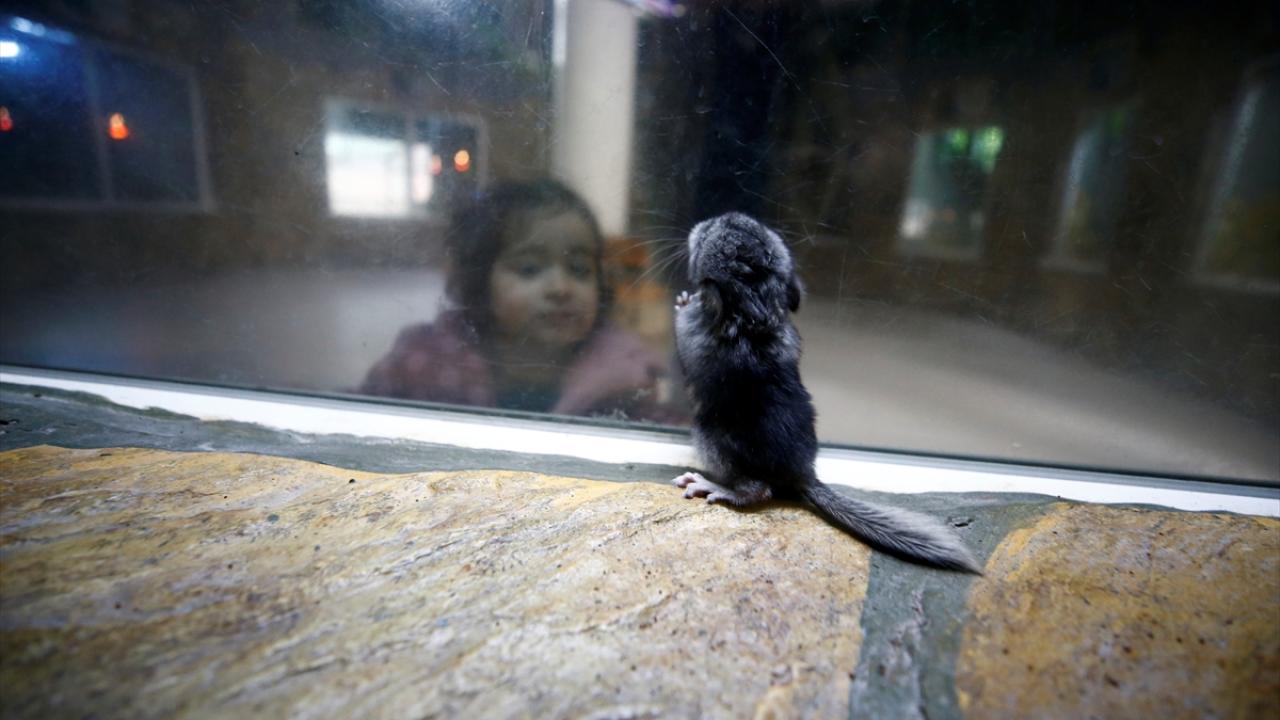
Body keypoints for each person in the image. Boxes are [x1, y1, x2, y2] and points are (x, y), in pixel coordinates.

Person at [361, 178, 682, 423]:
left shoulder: (624, 372)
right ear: (479, 282)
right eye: (529, 269)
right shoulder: (425, 361)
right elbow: (365, 419)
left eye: (579, 269)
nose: (561, 288)